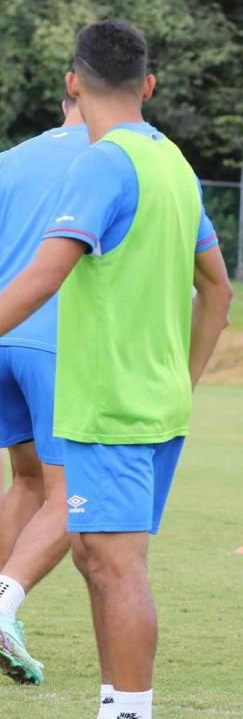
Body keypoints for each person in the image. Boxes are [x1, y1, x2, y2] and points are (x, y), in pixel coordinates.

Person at [0, 19, 233, 719]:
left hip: (110, 403)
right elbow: (218, 290)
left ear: (73, 82)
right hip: (151, 400)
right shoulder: (175, 163)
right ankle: (116, 704)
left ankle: (131, 710)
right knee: (96, 558)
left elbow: (44, 275)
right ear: (149, 86)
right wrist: (182, 379)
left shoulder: (104, 163)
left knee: (117, 565)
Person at [0, 93, 91, 686]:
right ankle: (3, 607)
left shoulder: (11, 159)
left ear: (64, 96)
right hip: (60, 342)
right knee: (77, 491)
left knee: (28, 477)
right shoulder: (118, 158)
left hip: (2, 335)